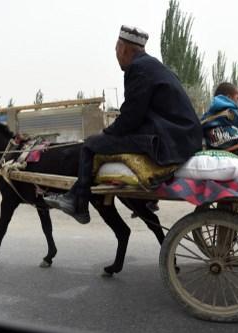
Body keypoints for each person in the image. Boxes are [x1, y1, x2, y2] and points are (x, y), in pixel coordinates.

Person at [44, 25, 202, 224]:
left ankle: (79, 203)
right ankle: (77, 196)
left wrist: (107, 133)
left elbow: (131, 117)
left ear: (124, 48)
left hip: (170, 140)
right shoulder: (153, 66)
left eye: (116, 50)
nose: (117, 56)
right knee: (98, 142)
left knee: (89, 145)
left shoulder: (138, 68)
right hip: (182, 135)